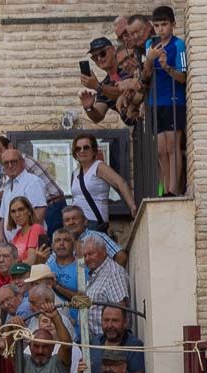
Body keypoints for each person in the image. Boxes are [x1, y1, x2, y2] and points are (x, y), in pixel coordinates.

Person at [142, 6, 188, 196]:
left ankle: (173, 189)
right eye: (157, 25)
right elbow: (145, 76)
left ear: (173, 25)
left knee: (172, 146)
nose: (161, 29)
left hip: (173, 100)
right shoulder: (149, 46)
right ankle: (165, 188)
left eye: (165, 24)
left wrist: (167, 67)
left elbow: (183, 78)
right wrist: (149, 60)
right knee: (160, 150)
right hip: (154, 103)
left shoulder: (179, 45)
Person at [0, 136, 65, 234]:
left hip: (52, 205)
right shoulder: (9, 175)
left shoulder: (23, 161)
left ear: (10, 146)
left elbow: (38, 207)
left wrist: (29, 237)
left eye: (0, 150)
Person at [70, 133, 137, 227]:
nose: (82, 151)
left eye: (86, 147)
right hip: (77, 223)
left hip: (93, 221)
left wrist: (132, 206)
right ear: (75, 153)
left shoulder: (99, 167)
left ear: (93, 150)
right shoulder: (75, 172)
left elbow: (120, 182)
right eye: (78, 148)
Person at [79, 38, 143, 127]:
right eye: (94, 57)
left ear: (112, 50)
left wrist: (98, 87)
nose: (99, 59)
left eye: (102, 54)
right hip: (139, 129)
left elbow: (127, 92)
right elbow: (98, 117)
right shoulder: (104, 84)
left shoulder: (128, 68)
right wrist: (88, 108)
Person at [79, 237, 130, 341]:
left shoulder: (113, 273)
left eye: (91, 254)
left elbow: (120, 309)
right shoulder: (96, 273)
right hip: (96, 342)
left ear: (103, 252)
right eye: (85, 255)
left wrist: (111, 343)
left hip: (109, 341)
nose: (87, 258)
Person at [0, 148, 47, 245]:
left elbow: (40, 210)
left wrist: (28, 237)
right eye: (6, 163)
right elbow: (4, 215)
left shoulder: (32, 181)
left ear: (22, 162)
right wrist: (0, 233)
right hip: (13, 244)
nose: (10, 166)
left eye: (14, 162)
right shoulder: (7, 185)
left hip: (30, 243)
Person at [6, 196, 46, 262]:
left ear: (29, 211)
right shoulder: (17, 234)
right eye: (13, 211)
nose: (17, 215)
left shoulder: (36, 228)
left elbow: (31, 260)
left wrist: (15, 267)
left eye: (21, 209)